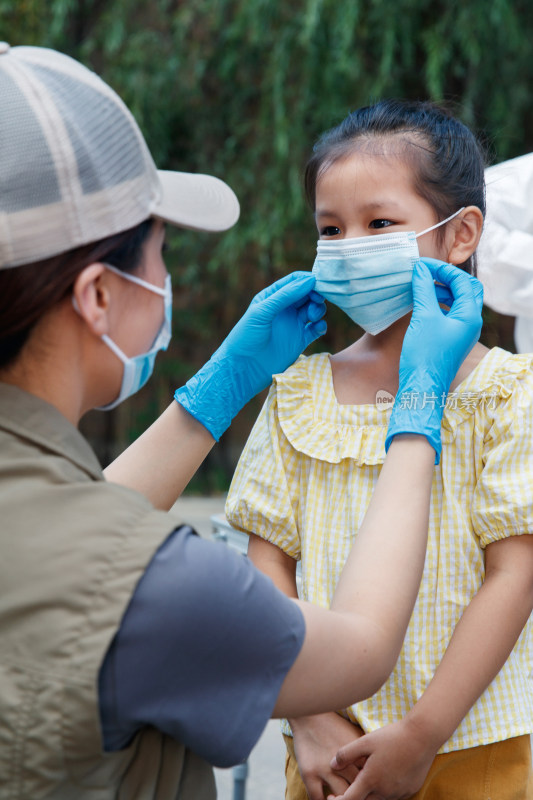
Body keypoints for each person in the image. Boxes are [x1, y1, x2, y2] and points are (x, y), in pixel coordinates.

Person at [0, 47, 482, 799]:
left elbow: (74, 515)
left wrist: (216, 393)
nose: (167, 281)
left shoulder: (49, 523)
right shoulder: (152, 585)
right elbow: (357, 647)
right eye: (160, 252)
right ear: (97, 295)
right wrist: (418, 413)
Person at [226, 99, 533, 800]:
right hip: (325, 754)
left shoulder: (508, 392)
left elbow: (514, 576)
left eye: (379, 224)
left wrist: (423, 734)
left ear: (460, 235)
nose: (347, 247)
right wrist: (306, 714)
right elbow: (266, 559)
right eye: (329, 230)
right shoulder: (300, 389)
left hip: (470, 742)